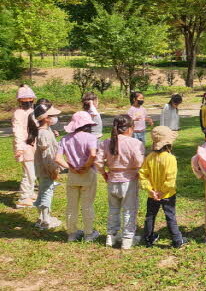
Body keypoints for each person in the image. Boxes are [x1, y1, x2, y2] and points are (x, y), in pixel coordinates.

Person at [95, 115, 145, 249]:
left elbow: (98, 161)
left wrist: (104, 173)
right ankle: (127, 239)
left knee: (113, 210)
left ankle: (110, 237)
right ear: (129, 129)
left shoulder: (106, 142)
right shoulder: (135, 143)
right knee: (129, 210)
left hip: (112, 180)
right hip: (129, 182)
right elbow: (139, 162)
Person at [139, 126, 188, 248]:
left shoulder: (149, 157)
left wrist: (150, 190)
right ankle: (177, 240)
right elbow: (170, 180)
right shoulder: (170, 158)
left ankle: (148, 239)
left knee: (150, 216)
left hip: (152, 194)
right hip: (167, 194)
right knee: (170, 216)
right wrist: (162, 192)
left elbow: (142, 174)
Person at [55, 111, 99, 242]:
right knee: (87, 205)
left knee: (71, 205)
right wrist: (86, 166)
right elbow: (92, 154)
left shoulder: (65, 139)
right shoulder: (90, 138)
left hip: (72, 175)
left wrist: (71, 167)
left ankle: (72, 233)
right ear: (87, 125)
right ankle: (88, 234)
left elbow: (57, 158)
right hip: (88, 174)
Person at [27, 101, 63, 230]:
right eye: (52, 115)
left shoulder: (45, 131)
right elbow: (47, 157)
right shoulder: (44, 134)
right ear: (46, 118)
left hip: (43, 169)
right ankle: (45, 221)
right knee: (46, 193)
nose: (54, 118)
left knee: (43, 192)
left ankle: (42, 218)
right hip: (46, 170)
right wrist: (53, 170)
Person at [12, 85, 37, 209]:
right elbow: (18, 132)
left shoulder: (32, 111)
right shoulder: (18, 113)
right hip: (24, 148)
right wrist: (19, 148)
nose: (27, 103)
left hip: (33, 146)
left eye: (29, 100)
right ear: (19, 101)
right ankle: (23, 198)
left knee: (32, 172)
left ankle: (30, 194)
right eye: (24, 101)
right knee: (29, 173)